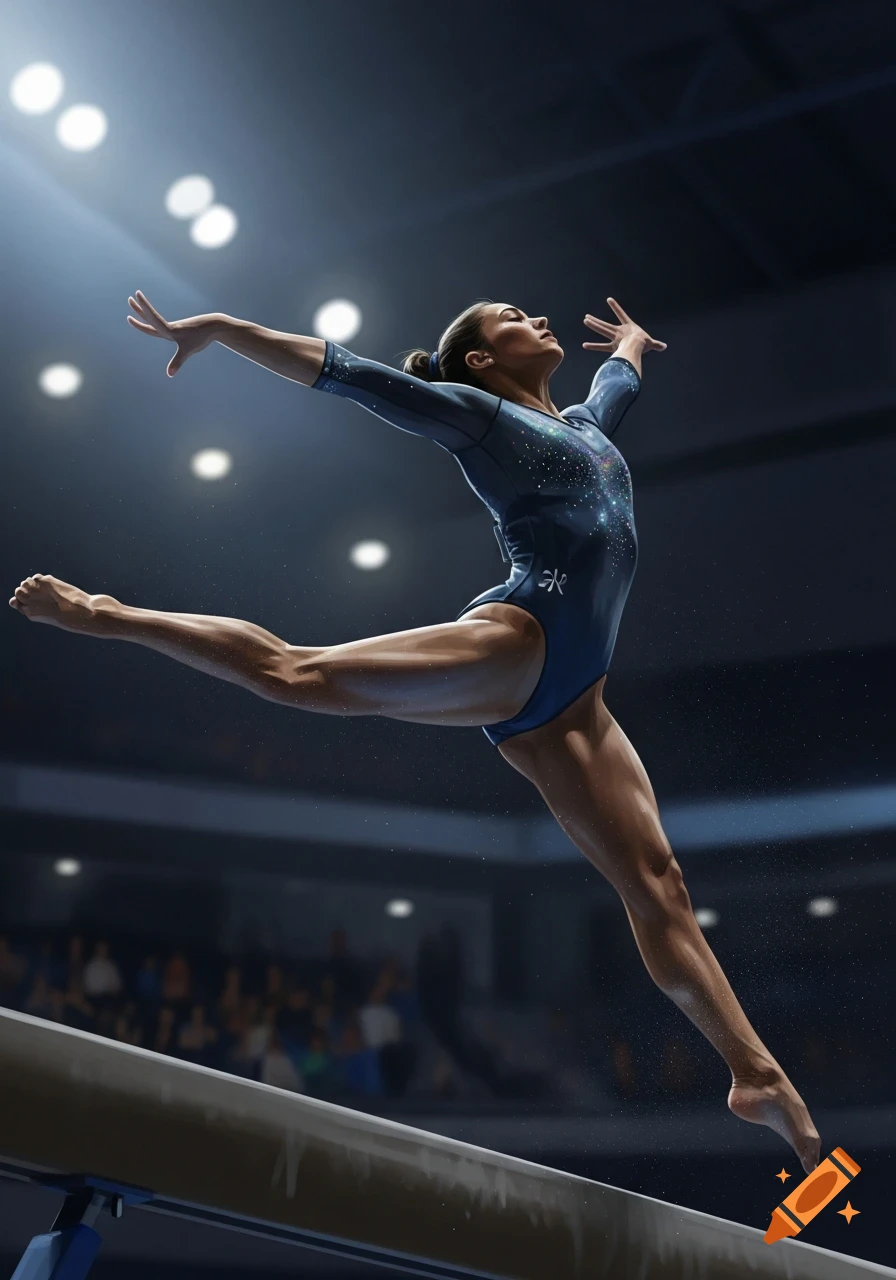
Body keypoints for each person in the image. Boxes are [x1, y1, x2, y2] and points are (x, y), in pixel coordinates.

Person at [8, 290, 820, 1172]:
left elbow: (616, 386)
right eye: (511, 317)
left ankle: (754, 1074)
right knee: (295, 673)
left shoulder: (586, 425)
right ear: (479, 360)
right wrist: (224, 329)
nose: (536, 319)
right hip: (521, 638)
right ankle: (106, 613)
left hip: (579, 697)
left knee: (659, 884)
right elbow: (342, 373)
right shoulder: (476, 414)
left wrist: (628, 344)